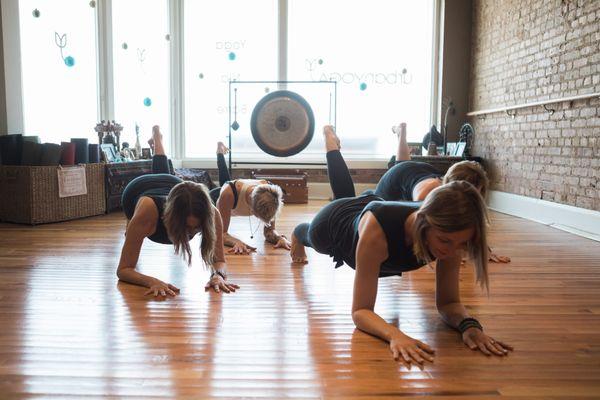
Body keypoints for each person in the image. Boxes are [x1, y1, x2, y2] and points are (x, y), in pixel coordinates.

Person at [290, 125, 513, 365]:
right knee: (314, 235)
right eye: (445, 242)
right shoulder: (378, 230)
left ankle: (332, 144)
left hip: (372, 209)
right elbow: (360, 312)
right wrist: (394, 335)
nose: (451, 251)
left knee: (346, 192)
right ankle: (296, 233)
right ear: (424, 222)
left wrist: (470, 327)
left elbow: (448, 303)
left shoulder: (450, 233)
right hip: (336, 226)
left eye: (461, 244)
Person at [118, 126, 239, 296]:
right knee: (134, 226)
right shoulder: (147, 214)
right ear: (173, 218)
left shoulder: (211, 213)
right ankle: (157, 136)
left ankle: (157, 138)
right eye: (187, 227)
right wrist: (152, 281)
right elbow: (123, 269)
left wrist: (218, 275)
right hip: (138, 189)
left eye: (197, 228)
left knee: (163, 173)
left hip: (171, 183)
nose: (192, 233)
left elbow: (219, 260)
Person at [374, 122, 510, 264]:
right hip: (392, 185)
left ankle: (401, 132)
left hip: (417, 171)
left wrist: (484, 251)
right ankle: (401, 133)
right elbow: (418, 233)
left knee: (402, 163)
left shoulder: (448, 192)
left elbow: (466, 225)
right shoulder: (425, 197)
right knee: (401, 166)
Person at [208, 142, 291, 254]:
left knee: (225, 183)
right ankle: (219, 152)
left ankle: (220, 151)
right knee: (223, 186)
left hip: (234, 191)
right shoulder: (228, 195)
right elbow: (220, 233)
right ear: (251, 208)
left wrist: (280, 238)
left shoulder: (271, 197)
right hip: (219, 196)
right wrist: (236, 241)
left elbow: (269, 232)